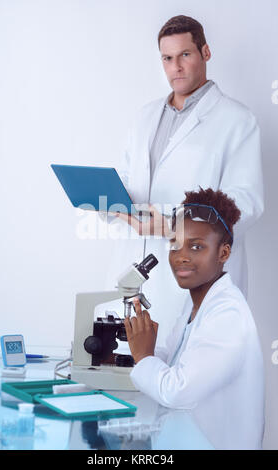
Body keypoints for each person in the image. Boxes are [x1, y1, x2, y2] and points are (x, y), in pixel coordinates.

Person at [112, 15, 263, 346]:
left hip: (197, 274)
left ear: (205, 53)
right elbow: (128, 179)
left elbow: (246, 203)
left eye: (185, 55)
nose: (176, 67)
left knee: (192, 383)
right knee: (139, 378)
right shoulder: (145, 116)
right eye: (167, 58)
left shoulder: (236, 120)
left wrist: (171, 227)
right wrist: (110, 201)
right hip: (140, 273)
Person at [124, 187, 265, 450]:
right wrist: (141, 351)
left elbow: (178, 390)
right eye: (175, 245)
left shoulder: (228, 315)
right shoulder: (196, 303)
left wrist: (144, 357)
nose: (182, 256)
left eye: (196, 246)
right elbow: (177, 362)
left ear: (223, 253)